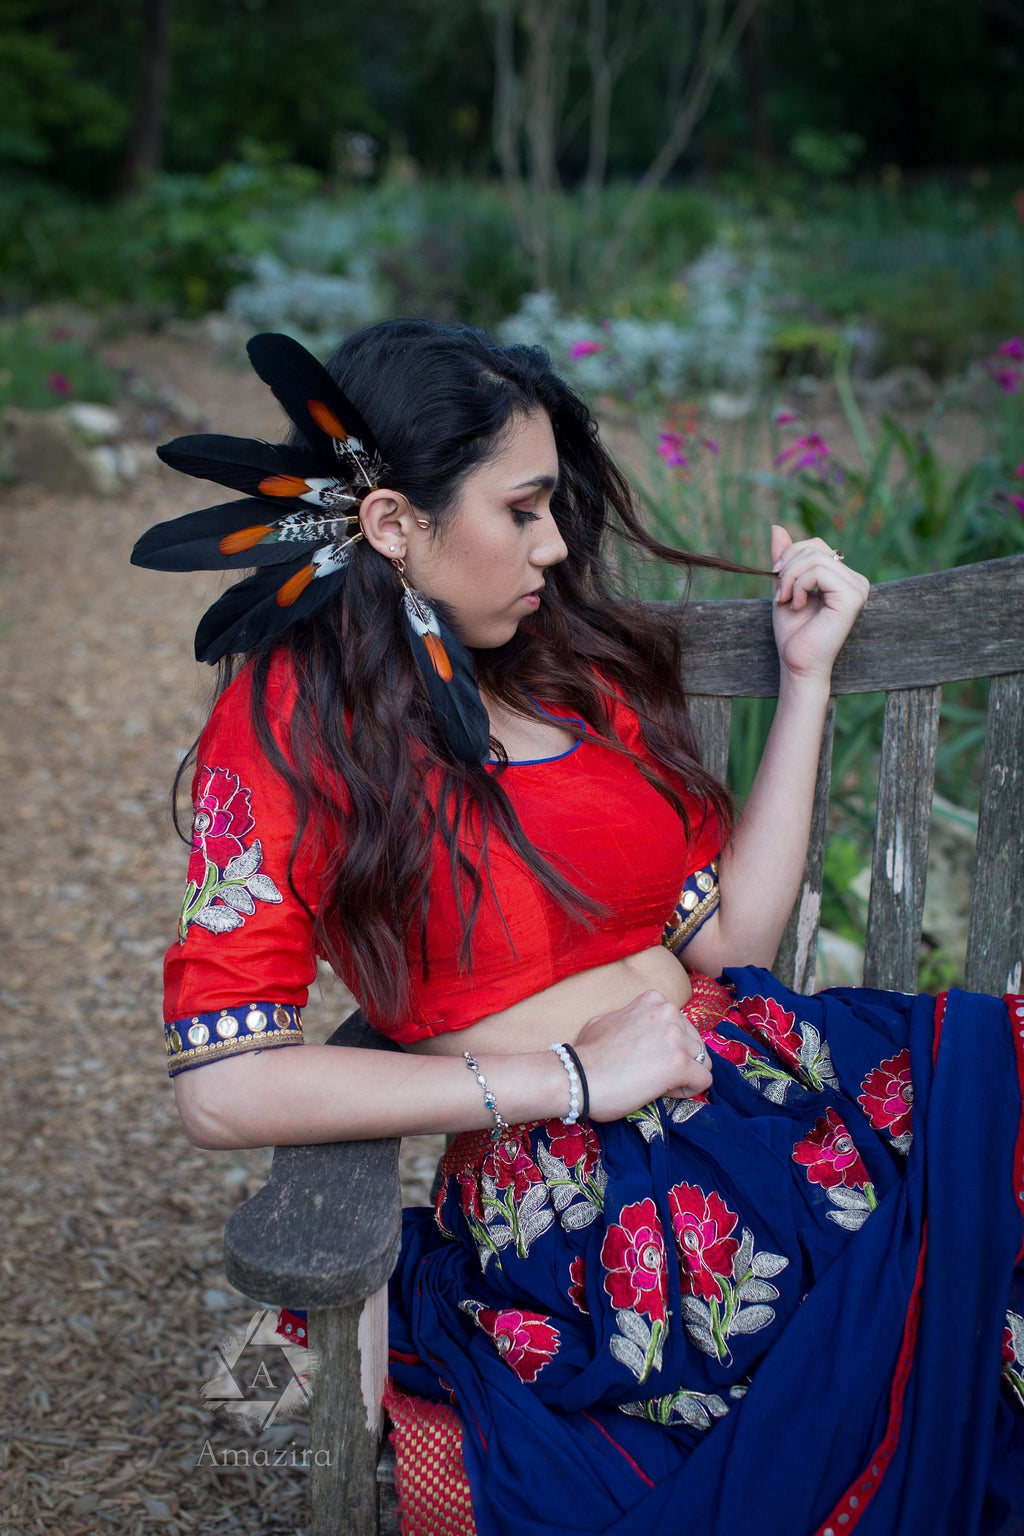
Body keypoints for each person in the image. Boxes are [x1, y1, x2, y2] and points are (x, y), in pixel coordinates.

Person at [134, 321, 1024, 1536]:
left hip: (781, 1084)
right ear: (394, 524)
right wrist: (568, 1077)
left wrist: (806, 679)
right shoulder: (289, 733)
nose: (555, 544)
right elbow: (222, 1088)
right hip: (597, 1194)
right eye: (522, 509)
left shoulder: (563, 670)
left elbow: (734, 950)